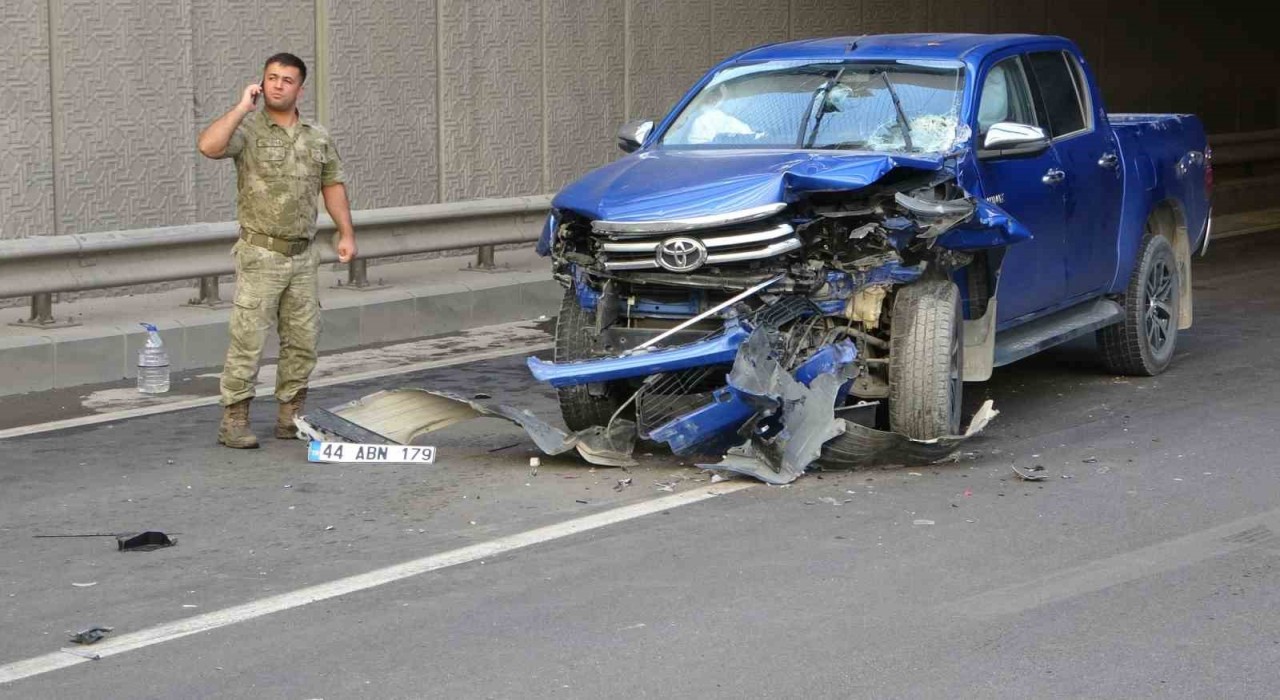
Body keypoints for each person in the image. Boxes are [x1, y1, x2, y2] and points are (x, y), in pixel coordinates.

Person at [196, 52, 355, 449]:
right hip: (260, 253)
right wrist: (239, 107)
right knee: (248, 339)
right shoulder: (247, 128)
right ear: (260, 83)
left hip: (303, 255)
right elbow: (209, 147)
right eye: (271, 78)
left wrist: (346, 233)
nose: (278, 85)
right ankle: (234, 419)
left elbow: (332, 185)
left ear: (300, 88)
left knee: (303, 340)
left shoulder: (316, 135)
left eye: (287, 79)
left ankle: (291, 415)